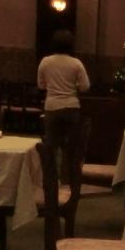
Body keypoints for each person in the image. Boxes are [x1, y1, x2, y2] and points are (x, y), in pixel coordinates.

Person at [36, 29, 89, 186]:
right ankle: (68, 181)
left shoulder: (45, 62)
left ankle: (51, 181)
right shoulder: (76, 63)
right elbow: (85, 86)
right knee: (71, 148)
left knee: (51, 147)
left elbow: (41, 85)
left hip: (52, 107)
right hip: (71, 107)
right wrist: (74, 85)